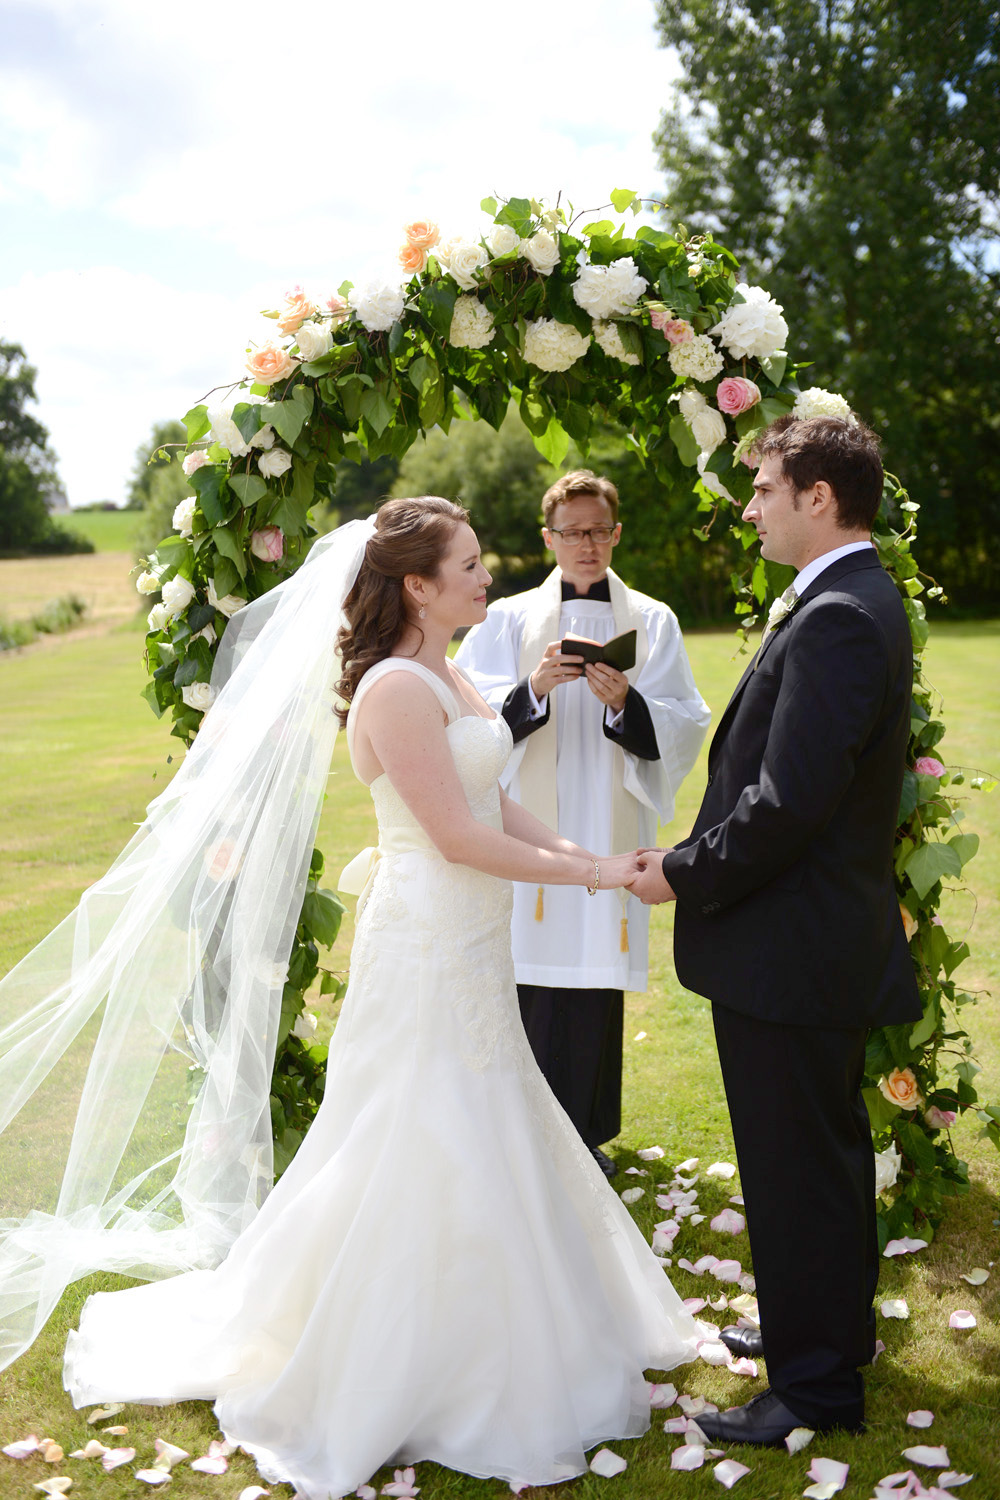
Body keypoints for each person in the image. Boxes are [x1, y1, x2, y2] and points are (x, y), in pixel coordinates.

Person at [44, 498, 715, 1497]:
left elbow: (497, 799)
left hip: (473, 933)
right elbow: (453, 834)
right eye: (471, 564)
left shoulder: (447, 671)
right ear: (417, 583)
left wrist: (588, 853)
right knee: (419, 1121)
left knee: (488, 1105)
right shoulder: (399, 689)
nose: (489, 577)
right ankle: (399, 1354)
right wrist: (588, 883)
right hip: (429, 935)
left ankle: (505, 1318)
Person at [630, 416, 921, 1445]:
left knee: (798, 1167)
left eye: (763, 489)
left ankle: (814, 1391)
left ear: (819, 499)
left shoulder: (841, 615)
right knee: (817, 1160)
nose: (748, 506)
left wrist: (678, 872)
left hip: (791, 951)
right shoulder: (846, 599)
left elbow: (786, 803)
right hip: (804, 948)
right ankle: (819, 1332)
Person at [456, 471, 710, 1177]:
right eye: (572, 531)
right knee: (527, 981)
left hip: (607, 823)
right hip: (529, 831)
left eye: (600, 529)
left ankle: (585, 1133)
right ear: (549, 538)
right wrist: (531, 690)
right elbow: (465, 717)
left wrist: (628, 705)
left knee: (592, 981)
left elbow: (687, 719)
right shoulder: (506, 620)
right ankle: (520, 1134)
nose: (587, 544)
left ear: (616, 533)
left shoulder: (651, 619)